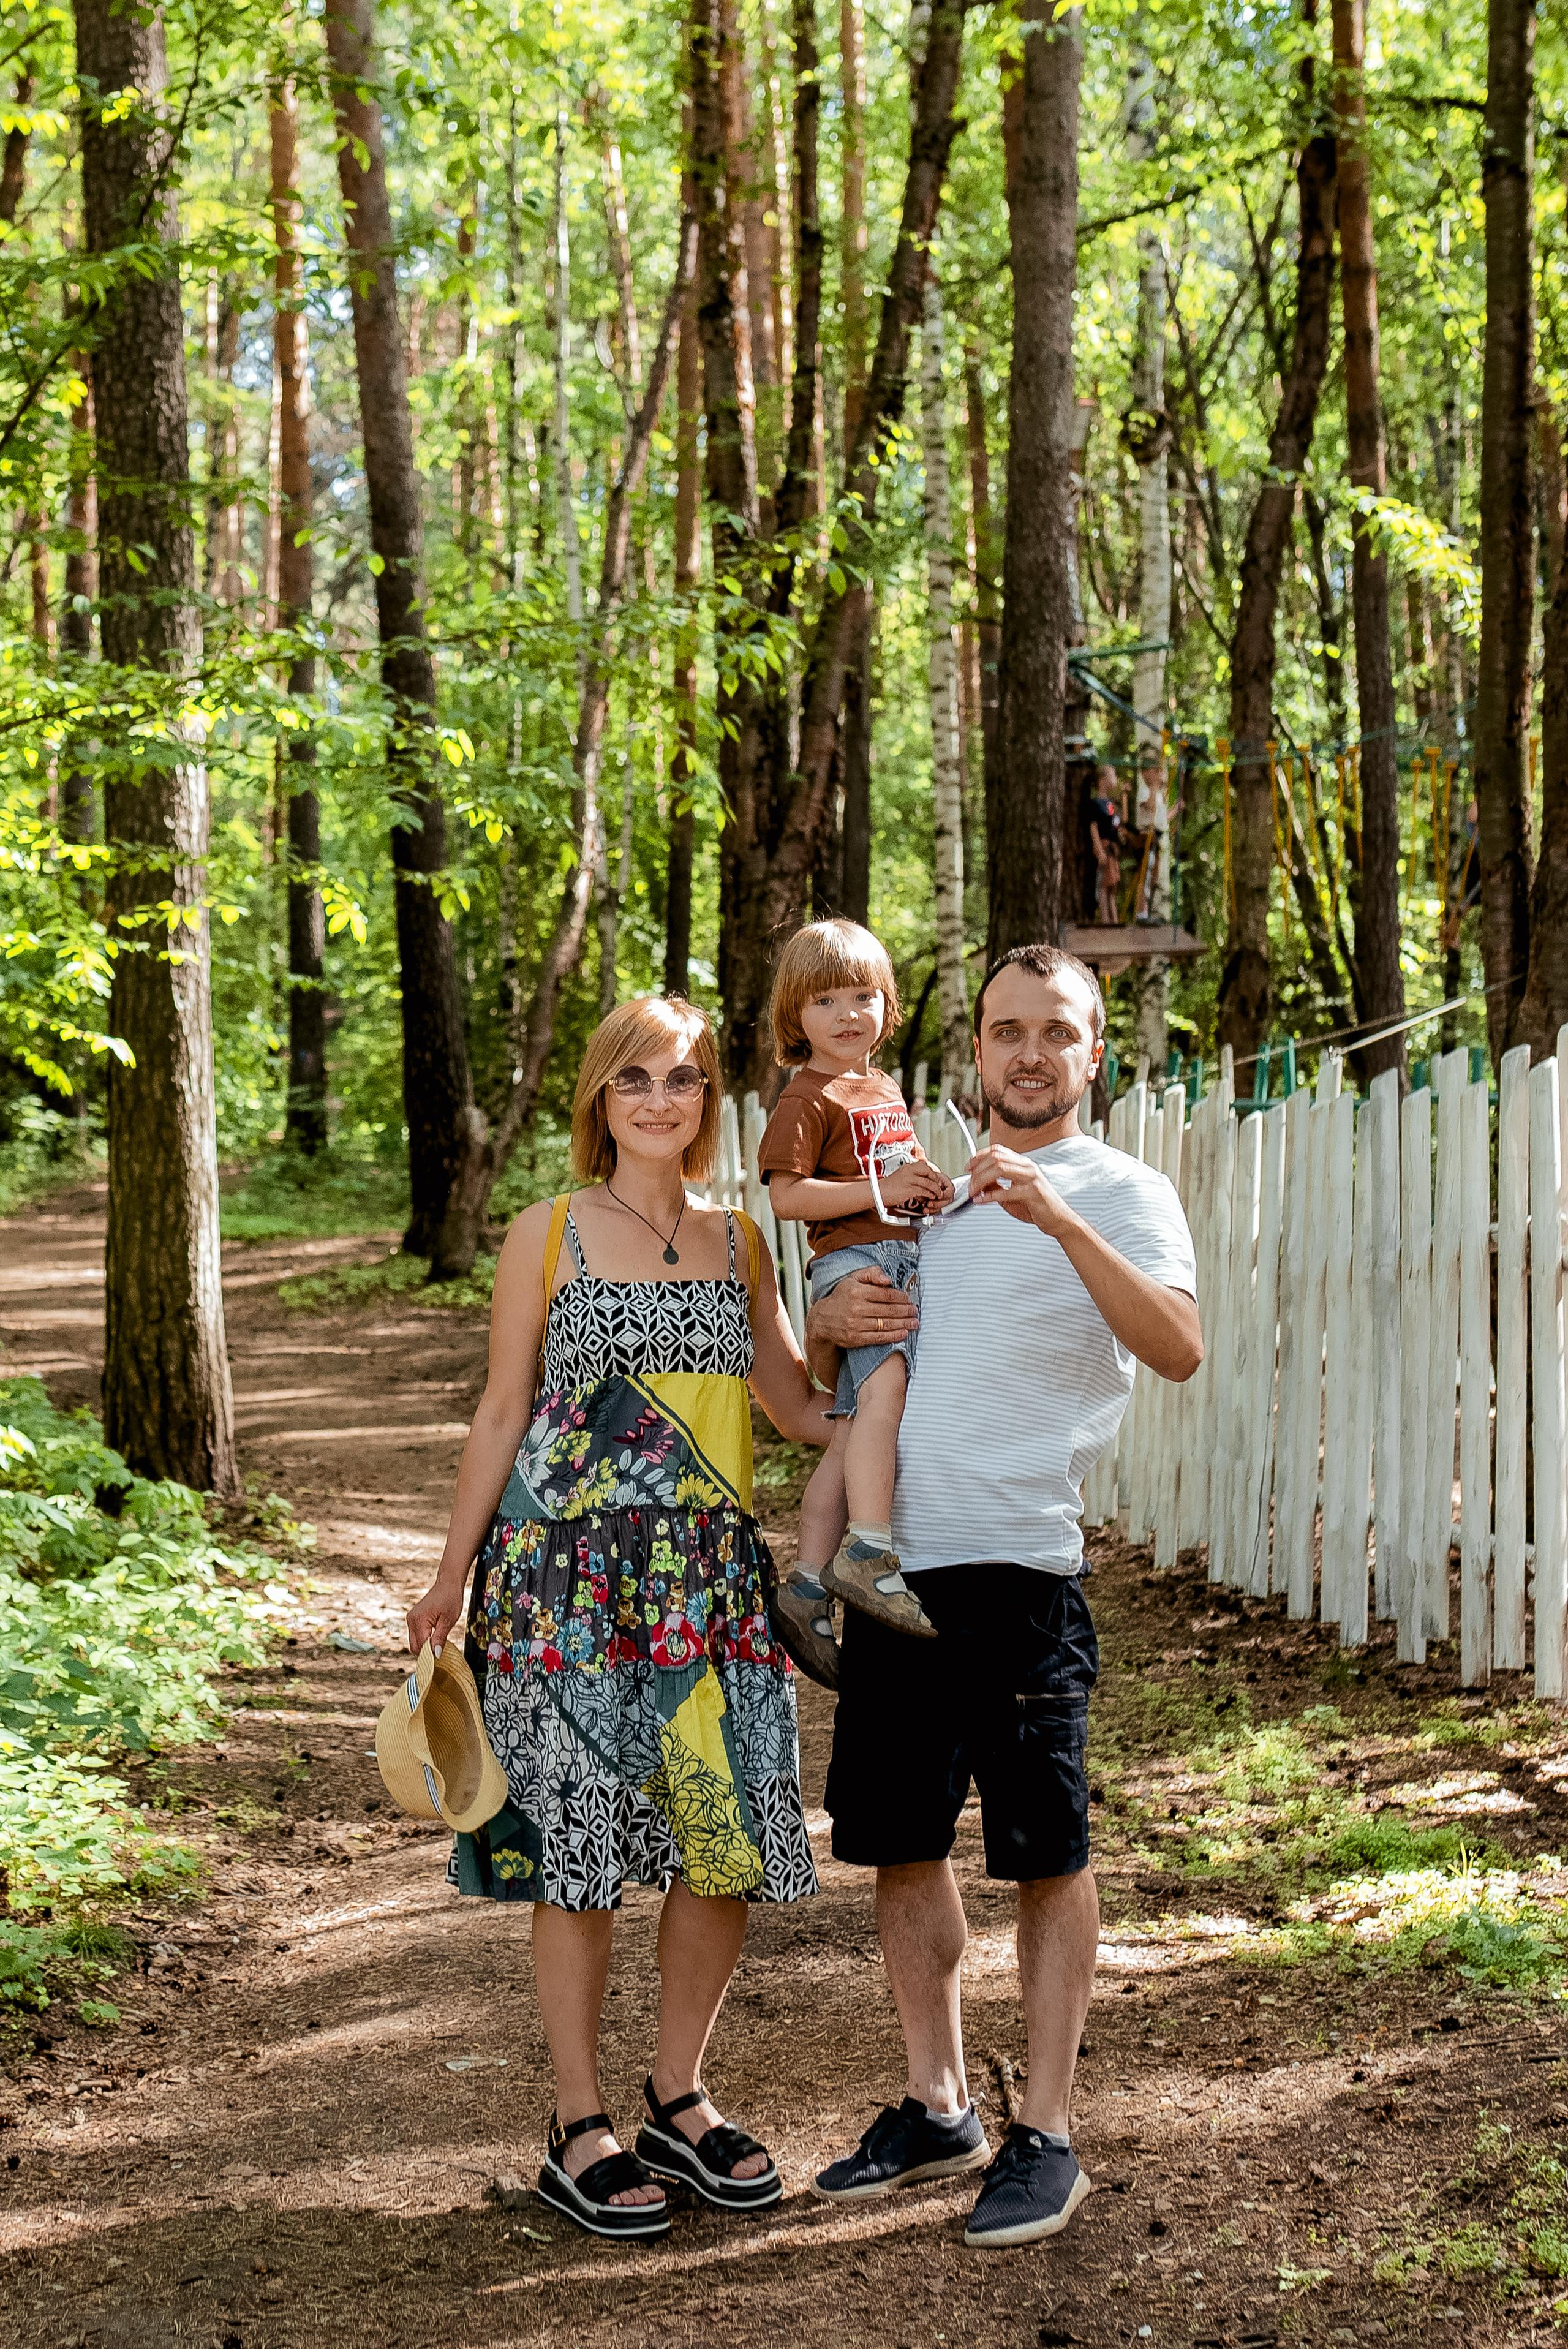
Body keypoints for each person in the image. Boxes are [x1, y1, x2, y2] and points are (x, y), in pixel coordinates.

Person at [405, 995, 833, 2242]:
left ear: (711, 1102)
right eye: (636, 1077)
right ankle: (578, 2119)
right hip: (564, 1578)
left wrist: (874, 1351)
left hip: (705, 1580)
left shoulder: (739, 1240)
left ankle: (676, 2093)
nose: (661, 1098)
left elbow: (795, 1406)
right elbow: (499, 1412)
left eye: (686, 1079)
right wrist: (449, 1576)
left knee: (722, 1844)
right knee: (582, 1852)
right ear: (599, 1094)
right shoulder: (545, 1234)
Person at [807, 943, 1203, 2249]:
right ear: (971, 1052)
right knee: (901, 1844)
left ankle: (1045, 2131)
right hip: (891, 1570)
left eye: (1055, 1031)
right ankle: (937, 2105)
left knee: (1046, 1856)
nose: (1027, 1053)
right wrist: (845, 1315)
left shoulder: (1121, 1191)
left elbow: (1177, 1348)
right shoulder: (919, 1194)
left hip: (1023, 1570)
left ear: (1095, 1053)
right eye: (1003, 1030)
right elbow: (849, 1362)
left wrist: (1057, 1217)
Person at [757, 919, 954, 1676]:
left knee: (848, 1430)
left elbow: (891, 1170)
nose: (848, 1013)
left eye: (864, 996)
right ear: (795, 1017)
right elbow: (786, 1197)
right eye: (826, 999)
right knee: (885, 1398)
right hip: (858, 1264)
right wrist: (881, 1191)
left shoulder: (881, 1087)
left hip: (896, 1247)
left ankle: (806, 1584)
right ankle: (868, 1546)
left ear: (888, 1004)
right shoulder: (807, 1095)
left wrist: (920, 1184)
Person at [1087, 765, 1126, 925]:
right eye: (1112, 775)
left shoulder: (1111, 803)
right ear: (1103, 779)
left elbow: (1119, 821)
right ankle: (1105, 919)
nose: (1115, 779)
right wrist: (1099, 849)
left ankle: (1114, 919)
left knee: (1113, 884)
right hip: (1104, 847)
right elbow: (1093, 826)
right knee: (1104, 884)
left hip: (1113, 848)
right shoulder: (1096, 803)